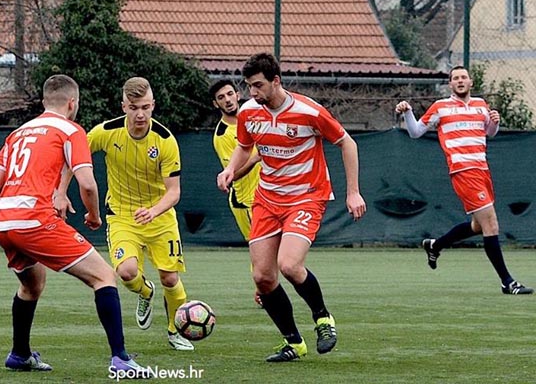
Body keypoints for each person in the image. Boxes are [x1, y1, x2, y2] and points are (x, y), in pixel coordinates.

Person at [0, 74, 148, 376]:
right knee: (104, 276)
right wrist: (93, 215)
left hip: (4, 221)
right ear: (72, 102)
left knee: (32, 285)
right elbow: (88, 184)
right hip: (34, 220)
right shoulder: (70, 130)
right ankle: (121, 360)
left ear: (44, 102)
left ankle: (19, 354)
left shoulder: (18, 133)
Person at [217, 53, 366, 362]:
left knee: (289, 265)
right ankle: (294, 342)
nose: (253, 92)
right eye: (249, 86)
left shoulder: (308, 111)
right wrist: (230, 169)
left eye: (258, 85)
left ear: (276, 81)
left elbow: (347, 143)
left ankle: (323, 318)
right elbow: (244, 146)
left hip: (306, 197)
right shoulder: (249, 112)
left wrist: (353, 192)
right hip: (267, 199)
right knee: (263, 277)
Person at [56, 77, 194, 351]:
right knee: (127, 273)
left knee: (170, 278)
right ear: (124, 107)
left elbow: (174, 192)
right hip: (121, 216)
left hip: (160, 217)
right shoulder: (106, 132)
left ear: (153, 105)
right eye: (133, 107)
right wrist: (60, 191)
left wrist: (154, 211)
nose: (140, 114)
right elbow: (74, 156)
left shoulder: (165, 140)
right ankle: (145, 292)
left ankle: (176, 331)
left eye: (145, 107)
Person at [395, 65, 533, 295]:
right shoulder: (441, 107)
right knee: (491, 224)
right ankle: (507, 282)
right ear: (450, 84)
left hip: (482, 170)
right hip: (463, 171)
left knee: (478, 226)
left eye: (463, 77)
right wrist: (408, 112)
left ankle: (435, 245)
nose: (460, 81)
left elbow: (489, 132)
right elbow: (415, 132)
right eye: (455, 78)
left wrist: (495, 122)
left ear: (471, 82)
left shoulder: (481, 105)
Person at [209, 80, 264, 307]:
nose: (228, 100)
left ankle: (265, 288)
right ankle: (262, 290)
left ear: (238, 94)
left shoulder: (255, 115)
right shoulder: (222, 135)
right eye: (221, 97)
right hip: (246, 200)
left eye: (230, 94)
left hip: (270, 192)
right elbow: (232, 175)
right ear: (216, 104)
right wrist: (255, 158)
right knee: (260, 248)